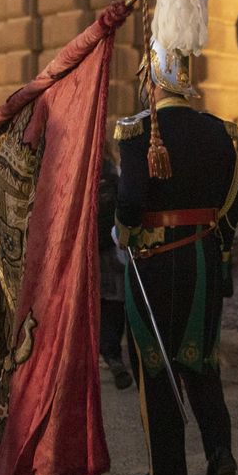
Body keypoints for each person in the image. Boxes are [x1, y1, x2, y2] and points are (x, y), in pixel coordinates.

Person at [115, 0, 238, 475]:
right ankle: (219, 450)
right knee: (200, 357)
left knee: (155, 363)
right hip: (204, 261)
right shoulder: (221, 132)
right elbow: (232, 208)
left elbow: (126, 207)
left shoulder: (139, 132)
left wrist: (124, 230)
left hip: (156, 262)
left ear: (154, 75)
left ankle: (169, 473)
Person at [96, 152, 134, 390]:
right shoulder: (116, 179)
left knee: (107, 310)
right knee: (113, 309)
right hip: (112, 252)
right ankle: (114, 357)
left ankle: (113, 358)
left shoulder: (108, 180)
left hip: (102, 254)